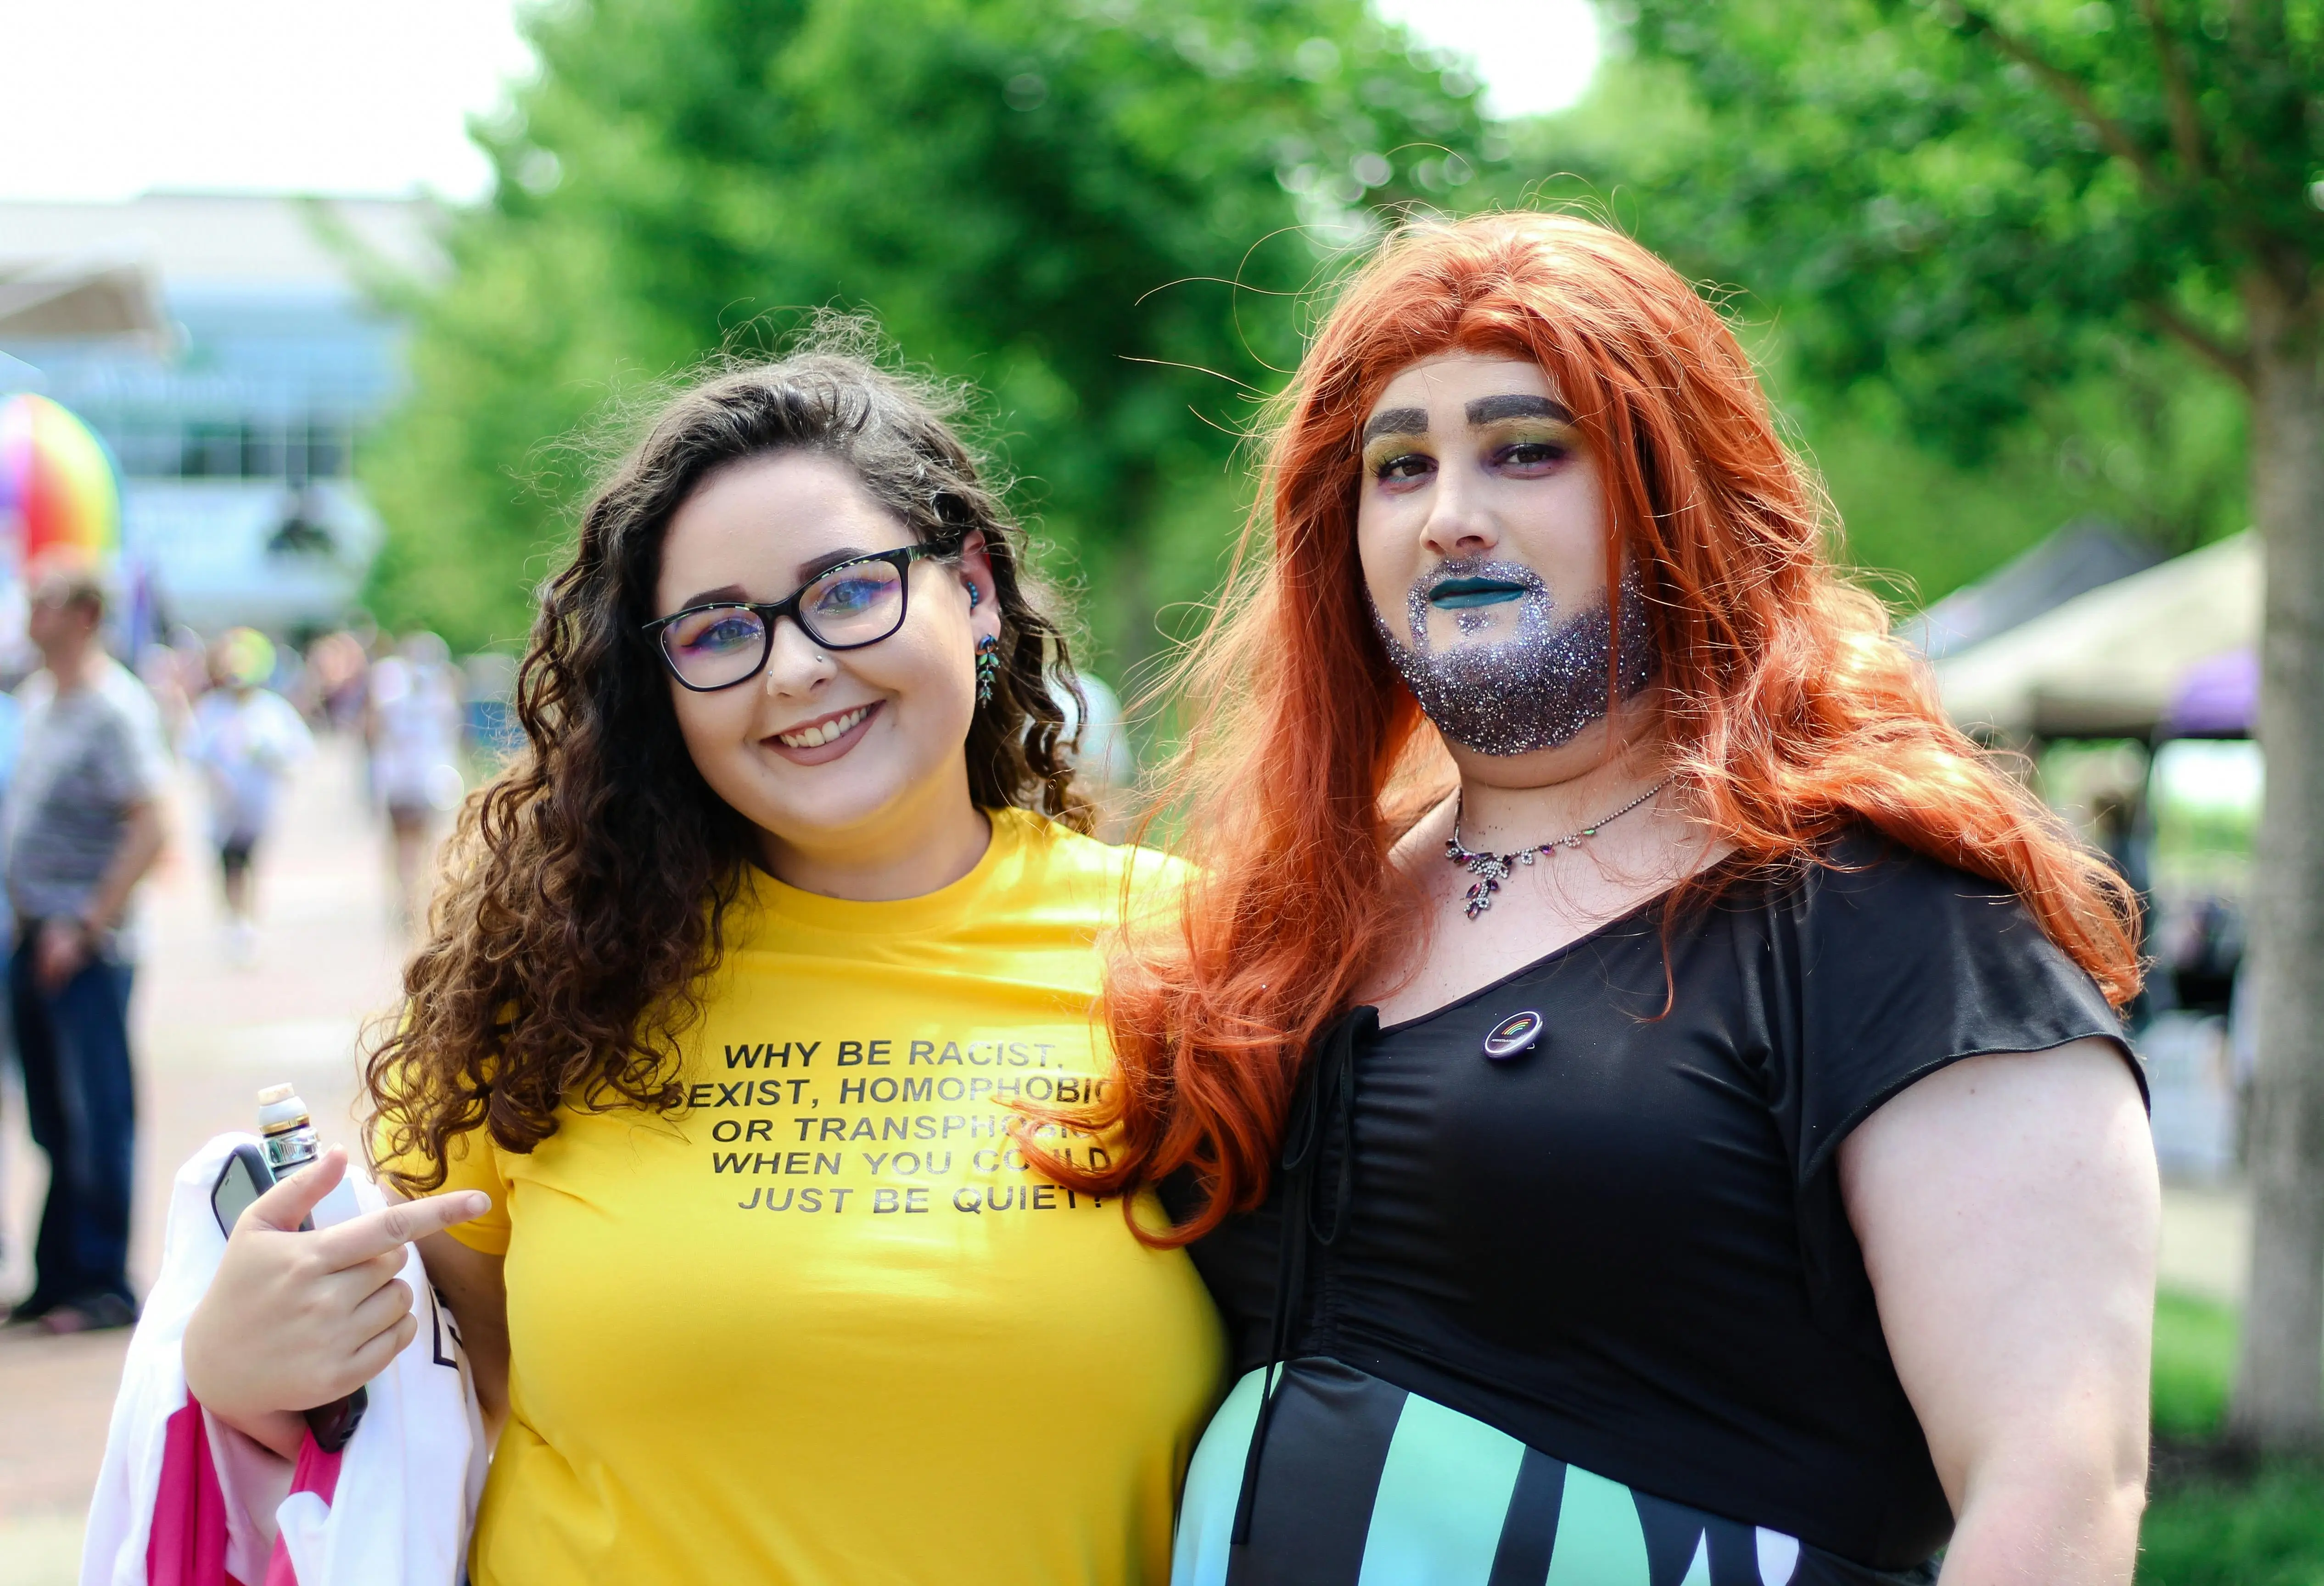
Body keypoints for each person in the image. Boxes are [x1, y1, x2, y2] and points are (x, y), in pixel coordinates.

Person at [1041, 215, 2158, 1585]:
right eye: (1398, 467)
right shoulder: (1291, 931)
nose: (1449, 512)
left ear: (1673, 492)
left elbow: (2058, 1480)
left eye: (1525, 449)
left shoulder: (1884, 921)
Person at [179, 346, 1225, 1584]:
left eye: (845, 592)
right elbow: (431, 1408)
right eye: (718, 629)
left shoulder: (1194, 962)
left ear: (975, 590)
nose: (791, 670)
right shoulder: (556, 990)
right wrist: (240, 1379)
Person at [3, 565, 171, 1334]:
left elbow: (149, 823)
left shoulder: (115, 709)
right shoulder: (44, 698)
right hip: (34, 933)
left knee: (95, 1112)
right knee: (51, 1117)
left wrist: (88, 921)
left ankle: (100, 1282)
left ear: (83, 613)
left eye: (43, 600)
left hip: (82, 946)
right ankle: (57, 1275)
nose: (30, 613)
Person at [184, 627, 314, 964]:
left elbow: (297, 752)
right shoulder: (210, 709)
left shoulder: (271, 710)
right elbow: (192, 752)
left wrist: (268, 756)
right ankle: (234, 922)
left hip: (258, 809)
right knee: (228, 865)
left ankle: (248, 922)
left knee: (251, 864)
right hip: (222, 812)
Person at [364, 630, 466, 930]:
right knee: (426, 844)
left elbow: (373, 731)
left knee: (401, 846)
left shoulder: (391, 696)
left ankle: (406, 899)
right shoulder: (443, 697)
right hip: (428, 780)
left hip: (400, 780)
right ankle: (418, 900)